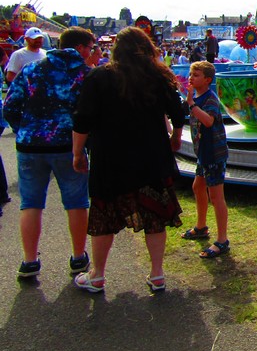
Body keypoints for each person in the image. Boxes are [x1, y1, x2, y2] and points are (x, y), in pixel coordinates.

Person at [71, 27, 185, 293]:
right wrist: (176, 137)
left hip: (111, 157)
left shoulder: (99, 76)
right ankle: (157, 274)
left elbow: (82, 120)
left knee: (103, 215)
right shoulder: (158, 76)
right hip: (151, 156)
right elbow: (178, 112)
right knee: (154, 216)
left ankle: (97, 275)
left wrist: (77, 153)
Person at [3, 27, 96, 279]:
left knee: (30, 203)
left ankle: (29, 260)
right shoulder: (85, 75)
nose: (91, 53)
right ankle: (78, 257)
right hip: (69, 146)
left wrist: (24, 128)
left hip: (30, 144)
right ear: (79, 48)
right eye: (90, 48)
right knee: (76, 202)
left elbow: (9, 106)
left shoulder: (31, 70)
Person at [181, 61, 230, 258]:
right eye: (191, 74)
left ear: (208, 80)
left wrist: (191, 104)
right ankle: (201, 226)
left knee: (216, 196)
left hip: (213, 154)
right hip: (203, 153)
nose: (191, 78)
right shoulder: (197, 96)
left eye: (196, 75)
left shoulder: (210, 98)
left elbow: (208, 121)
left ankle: (222, 240)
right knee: (198, 186)